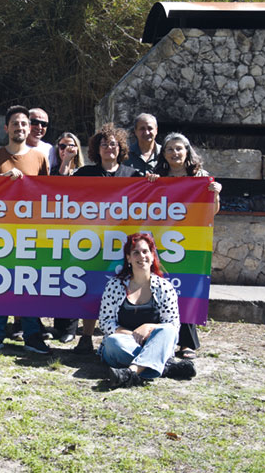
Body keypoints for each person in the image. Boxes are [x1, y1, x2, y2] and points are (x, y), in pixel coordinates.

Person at [0, 105, 50, 353]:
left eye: (24, 124)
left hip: (29, 234)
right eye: (15, 123)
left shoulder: (39, 158)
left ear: (29, 129)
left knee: (27, 284)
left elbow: (48, 195)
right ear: (6, 128)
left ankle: (32, 334)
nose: (20, 127)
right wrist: (1, 181)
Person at [72, 123, 147, 352]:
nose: (109, 148)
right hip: (92, 241)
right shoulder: (85, 174)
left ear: (120, 147)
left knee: (119, 290)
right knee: (92, 288)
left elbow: (151, 197)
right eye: (104, 144)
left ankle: (113, 336)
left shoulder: (133, 175)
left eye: (113, 144)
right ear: (97, 148)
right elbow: (61, 190)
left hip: (123, 242)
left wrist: (153, 180)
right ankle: (85, 337)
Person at [154, 132, 222, 360]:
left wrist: (215, 194)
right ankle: (160, 340)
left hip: (190, 243)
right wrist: (149, 183)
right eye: (170, 149)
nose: (175, 153)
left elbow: (211, 212)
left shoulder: (201, 178)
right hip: (162, 242)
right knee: (161, 291)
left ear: (187, 151)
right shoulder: (158, 176)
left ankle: (187, 343)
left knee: (187, 291)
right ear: (163, 154)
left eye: (179, 148)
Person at [98, 233, 196, 388]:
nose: (141, 256)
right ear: (128, 258)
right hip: (125, 344)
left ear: (152, 256)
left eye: (145, 251)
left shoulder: (164, 288)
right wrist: (135, 335)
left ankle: (131, 373)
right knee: (112, 342)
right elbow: (105, 323)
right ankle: (165, 367)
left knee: (169, 330)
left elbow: (173, 326)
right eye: (135, 252)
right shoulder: (114, 286)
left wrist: (148, 328)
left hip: (154, 341)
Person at [47, 132, 84, 343]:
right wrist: (65, 163)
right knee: (58, 279)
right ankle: (58, 326)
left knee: (74, 279)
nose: (66, 149)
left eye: (71, 146)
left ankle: (71, 327)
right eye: (62, 146)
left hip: (79, 233)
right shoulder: (52, 171)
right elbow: (58, 184)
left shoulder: (85, 172)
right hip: (55, 233)